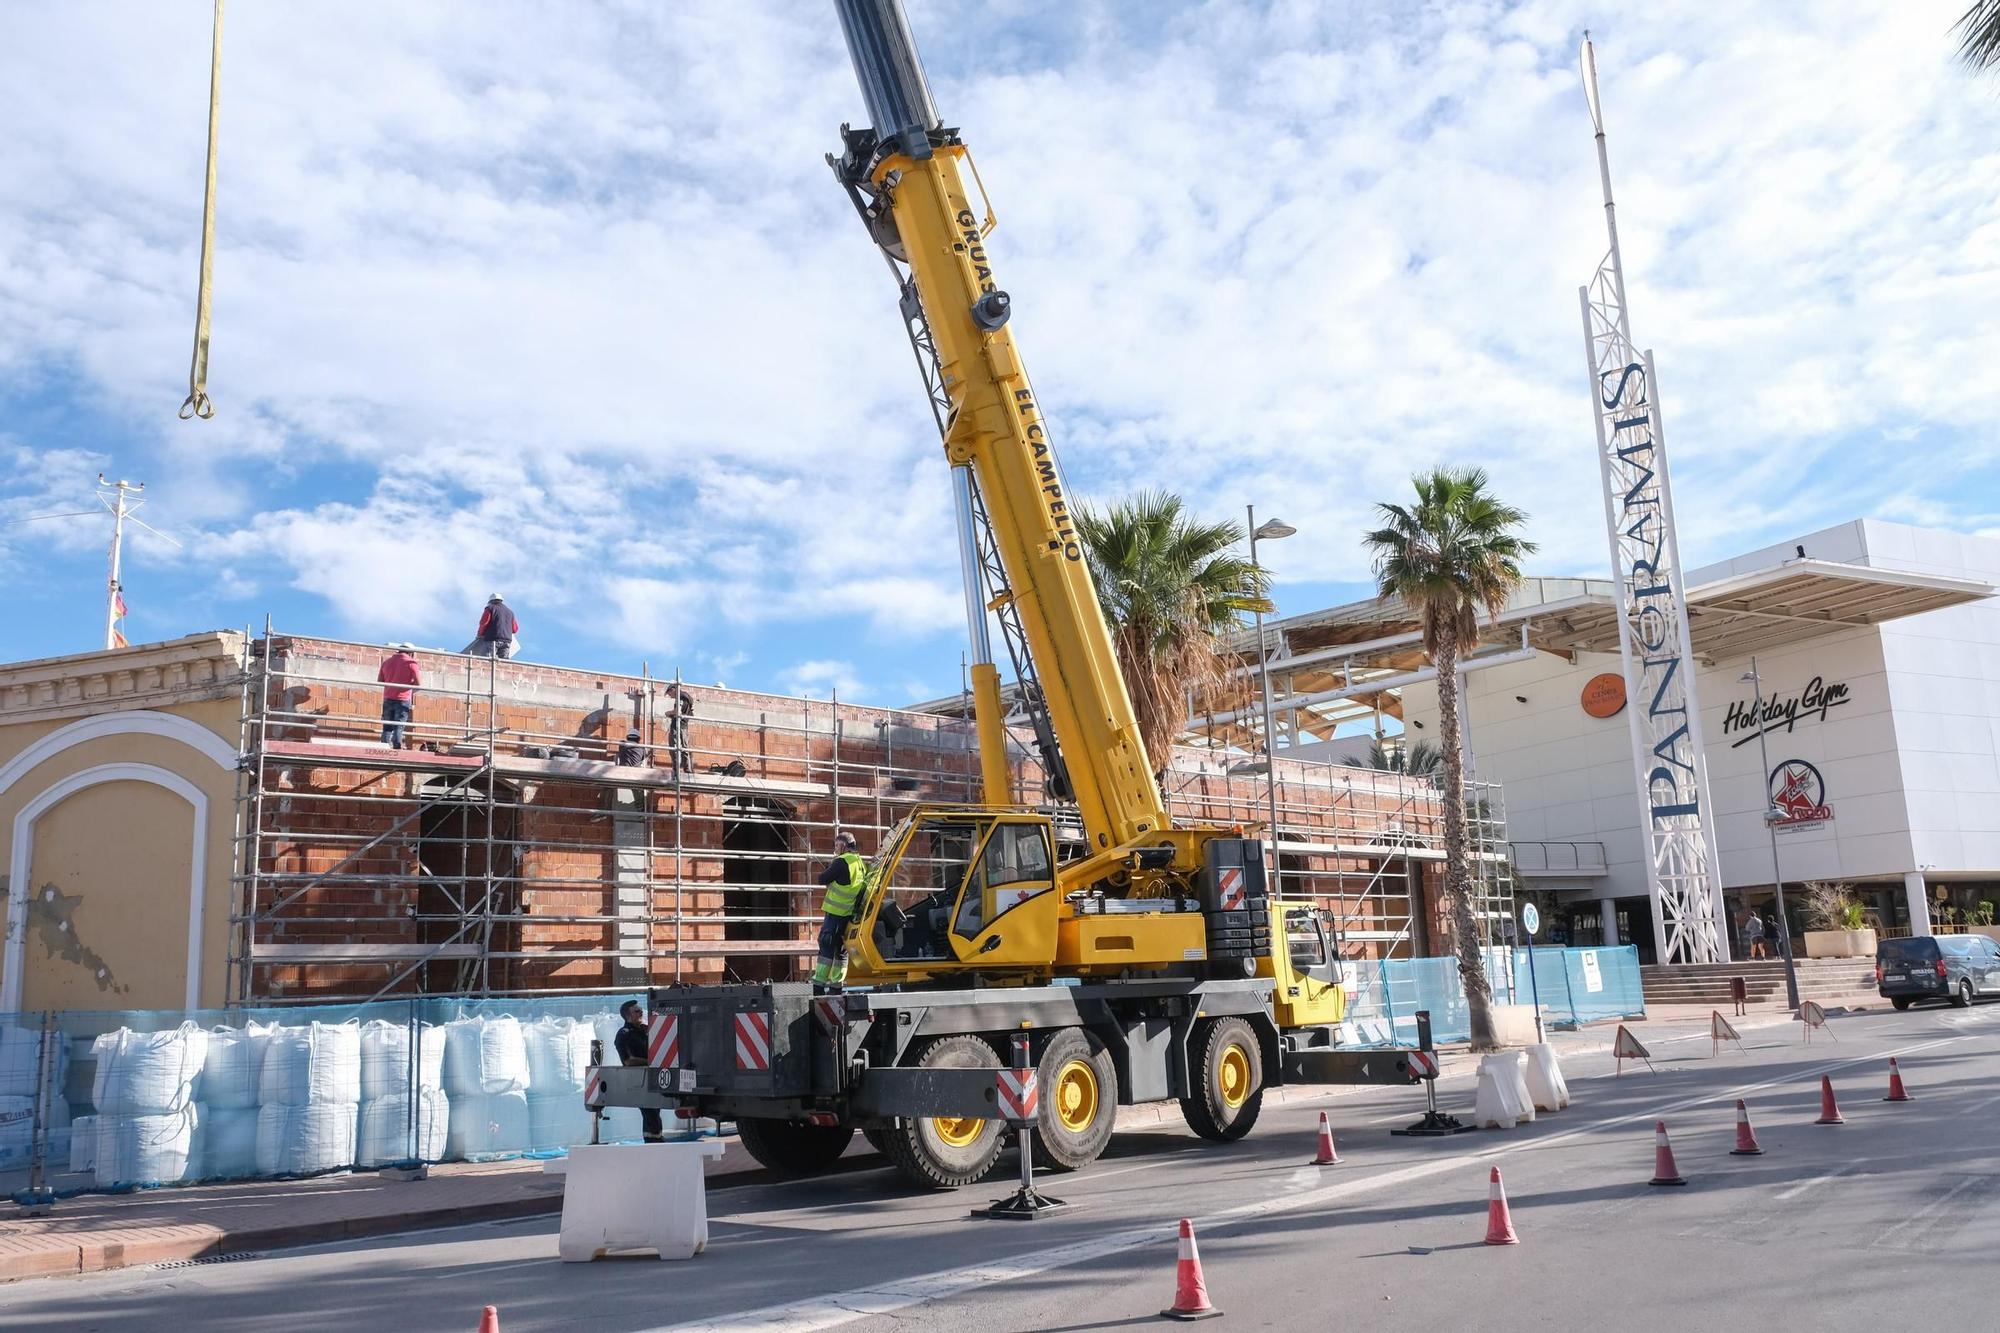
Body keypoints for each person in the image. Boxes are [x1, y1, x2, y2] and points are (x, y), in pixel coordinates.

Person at [811, 830, 869, 991]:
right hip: (848, 914)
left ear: (843, 845)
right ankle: (837, 985)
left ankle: (819, 984)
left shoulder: (841, 861)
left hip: (836, 913)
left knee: (827, 943)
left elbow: (822, 879)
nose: (835, 848)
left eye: (836, 845)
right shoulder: (859, 863)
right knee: (841, 950)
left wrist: (833, 862)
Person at [612, 999, 665, 1143]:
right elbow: (629, 1060)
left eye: (641, 1010)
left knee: (655, 1110)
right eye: (637, 1011)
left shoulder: (645, 1030)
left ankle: (655, 1140)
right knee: (650, 1112)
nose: (641, 1012)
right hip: (638, 1080)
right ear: (628, 1016)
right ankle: (654, 1142)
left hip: (652, 1077)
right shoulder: (624, 1034)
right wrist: (652, 1063)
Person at [376, 643, 421, 748]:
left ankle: (384, 749)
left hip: (388, 698)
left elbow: (380, 681)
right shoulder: (411, 663)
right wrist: (407, 689)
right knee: (398, 726)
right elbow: (418, 683)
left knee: (387, 727)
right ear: (411, 652)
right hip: (403, 700)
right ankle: (397, 749)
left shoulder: (387, 662)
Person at [474, 594, 519, 659]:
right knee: (503, 664)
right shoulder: (510, 612)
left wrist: (479, 634)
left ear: (490, 601)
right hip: (507, 641)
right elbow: (515, 629)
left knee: (488, 661)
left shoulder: (490, 608)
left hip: (493, 640)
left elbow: (484, 623)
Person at [665, 684, 693, 773]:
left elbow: (677, 711)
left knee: (674, 747)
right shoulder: (686, 697)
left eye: (670, 694)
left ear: (673, 689)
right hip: (684, 725)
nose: (670, 696)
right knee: (684, 747)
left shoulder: (680, 697)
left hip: (677, 725)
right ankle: (687, 768)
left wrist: (668, 713)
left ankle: (676, 769)